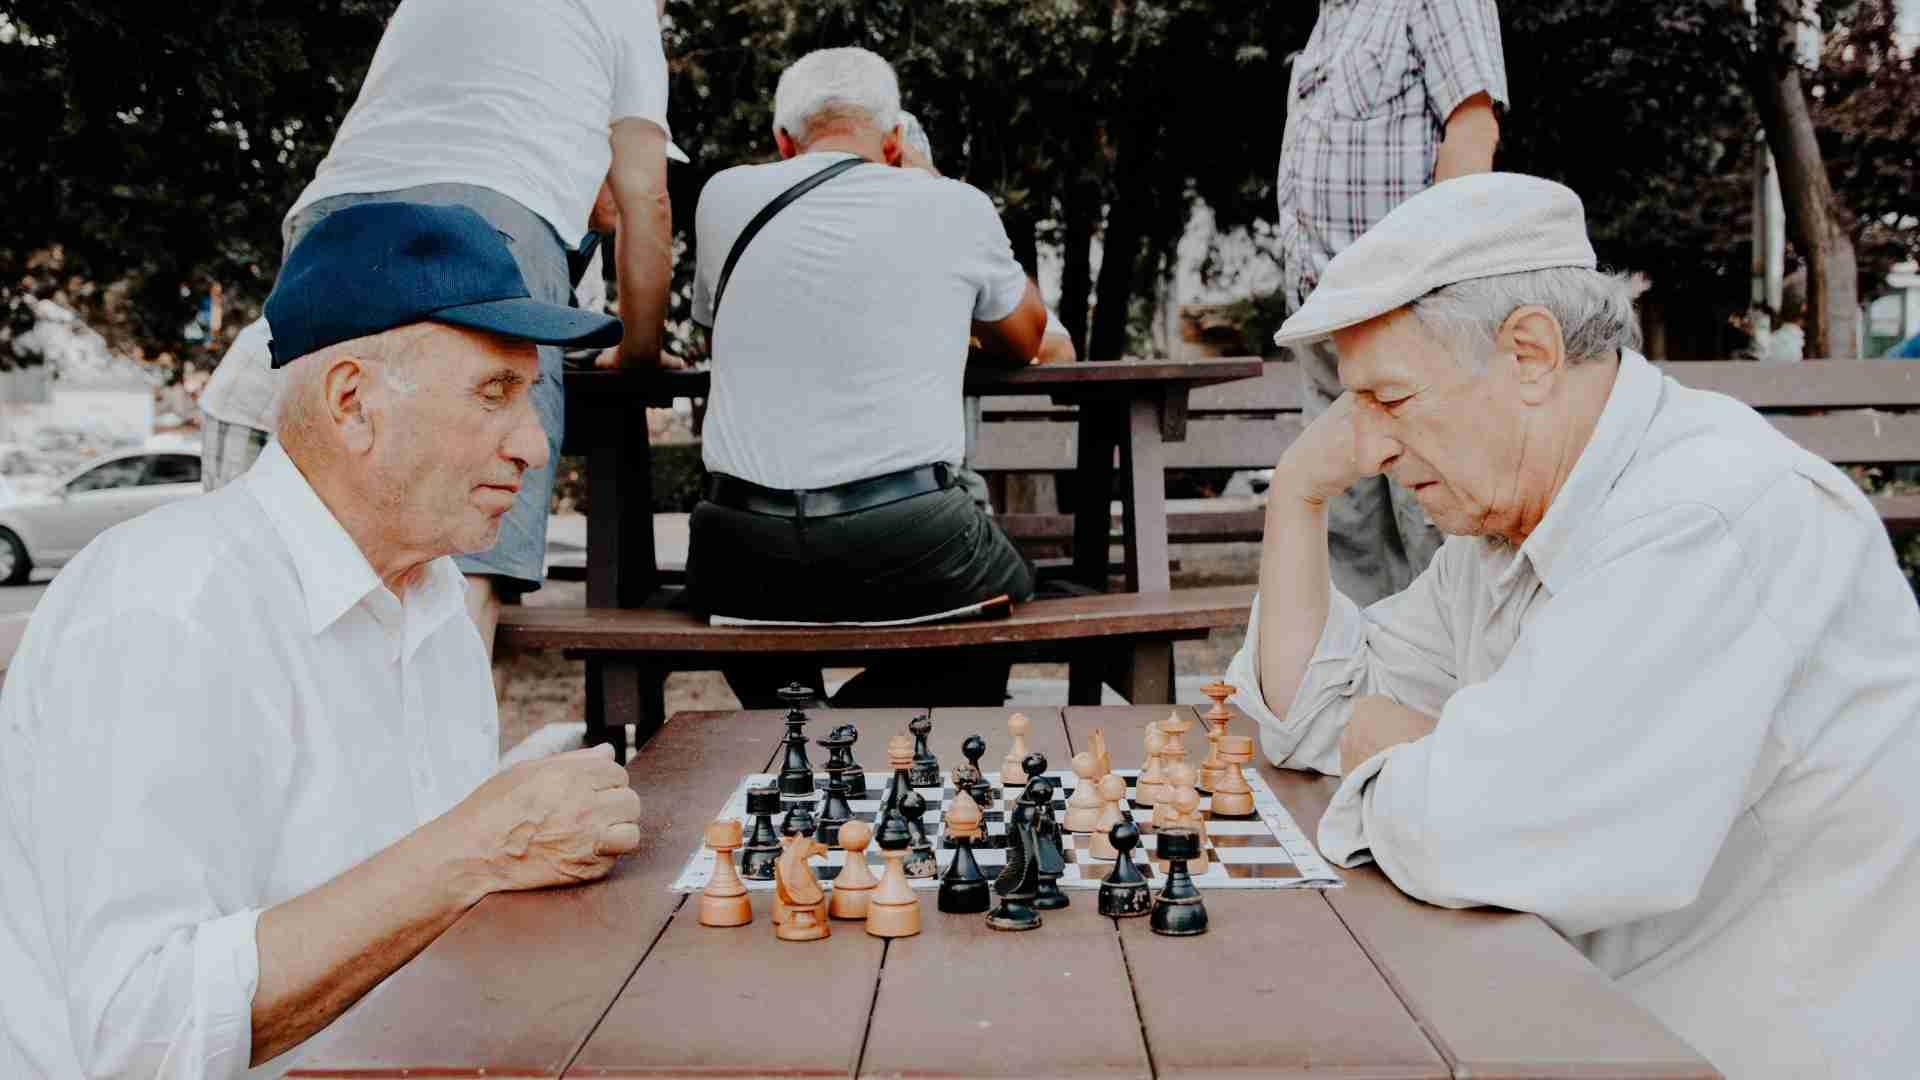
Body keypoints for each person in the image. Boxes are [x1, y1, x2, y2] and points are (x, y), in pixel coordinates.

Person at [1224, 174, 1920, 1077]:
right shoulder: (1507, 524)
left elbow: (1481, 835)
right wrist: (1296, 497)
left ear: (1530, 354)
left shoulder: (1706, 516)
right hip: (1581, 1013)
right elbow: (1308, 717)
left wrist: (1417, 752)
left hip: (1731, 1051)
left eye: (1390, 399)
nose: (1373, 446)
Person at [0, 203, 645, 1077]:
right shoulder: (163, 608)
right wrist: (477, 847)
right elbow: (143, 1034)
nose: (535, 445)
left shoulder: (431, 596)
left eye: (529, 397)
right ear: (353, 404)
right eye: (493, 393)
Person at [283, 0, 678, 657]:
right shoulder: (625, 8)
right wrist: (637, 352)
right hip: (487, 218)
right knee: (465, 553)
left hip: (331, 218)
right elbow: (648, 199)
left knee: (326, 547)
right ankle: (448, 726)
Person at [682, 47, 1048, 708]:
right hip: (908, 534)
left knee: (742, 596)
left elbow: (720, 331)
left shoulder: (722, 197)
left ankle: (794, 718)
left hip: (737, 547)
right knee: (1004, 598)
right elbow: (1026, 337)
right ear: (895, 140)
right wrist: (931, 181)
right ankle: (848, 727)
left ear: (783, 140)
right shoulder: (951, 205)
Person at [1277, 0, 1507, 606]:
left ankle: (1458, 667)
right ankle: (1361, 668)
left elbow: (1472, 132)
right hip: (1325, 321)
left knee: (1434, 528)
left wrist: (1435, 293)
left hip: (1407, 316)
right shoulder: (1335, 13)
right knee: (1347, 535)